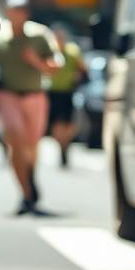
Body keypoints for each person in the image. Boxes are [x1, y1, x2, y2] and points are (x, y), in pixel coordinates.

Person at [0, 0, 63, 215]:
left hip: (35, 95)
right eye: (13, 10)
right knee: (16, 141)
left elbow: (56, 65)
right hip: (8, 95)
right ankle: (27, 193)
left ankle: (29, 178)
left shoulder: (40, 34)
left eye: (21, 10)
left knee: (31, 145)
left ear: (27, 13)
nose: (17, 14)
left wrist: (36, 61)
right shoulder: (0, 36)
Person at [47, 23, 85, 168]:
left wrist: (78, 76)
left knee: (69, 124)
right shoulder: (50, 51)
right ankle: (61, 148)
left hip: (69, 92)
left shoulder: (73, 51)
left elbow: (82, 68)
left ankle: (65, 145)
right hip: (53, 92)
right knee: (57, 124)